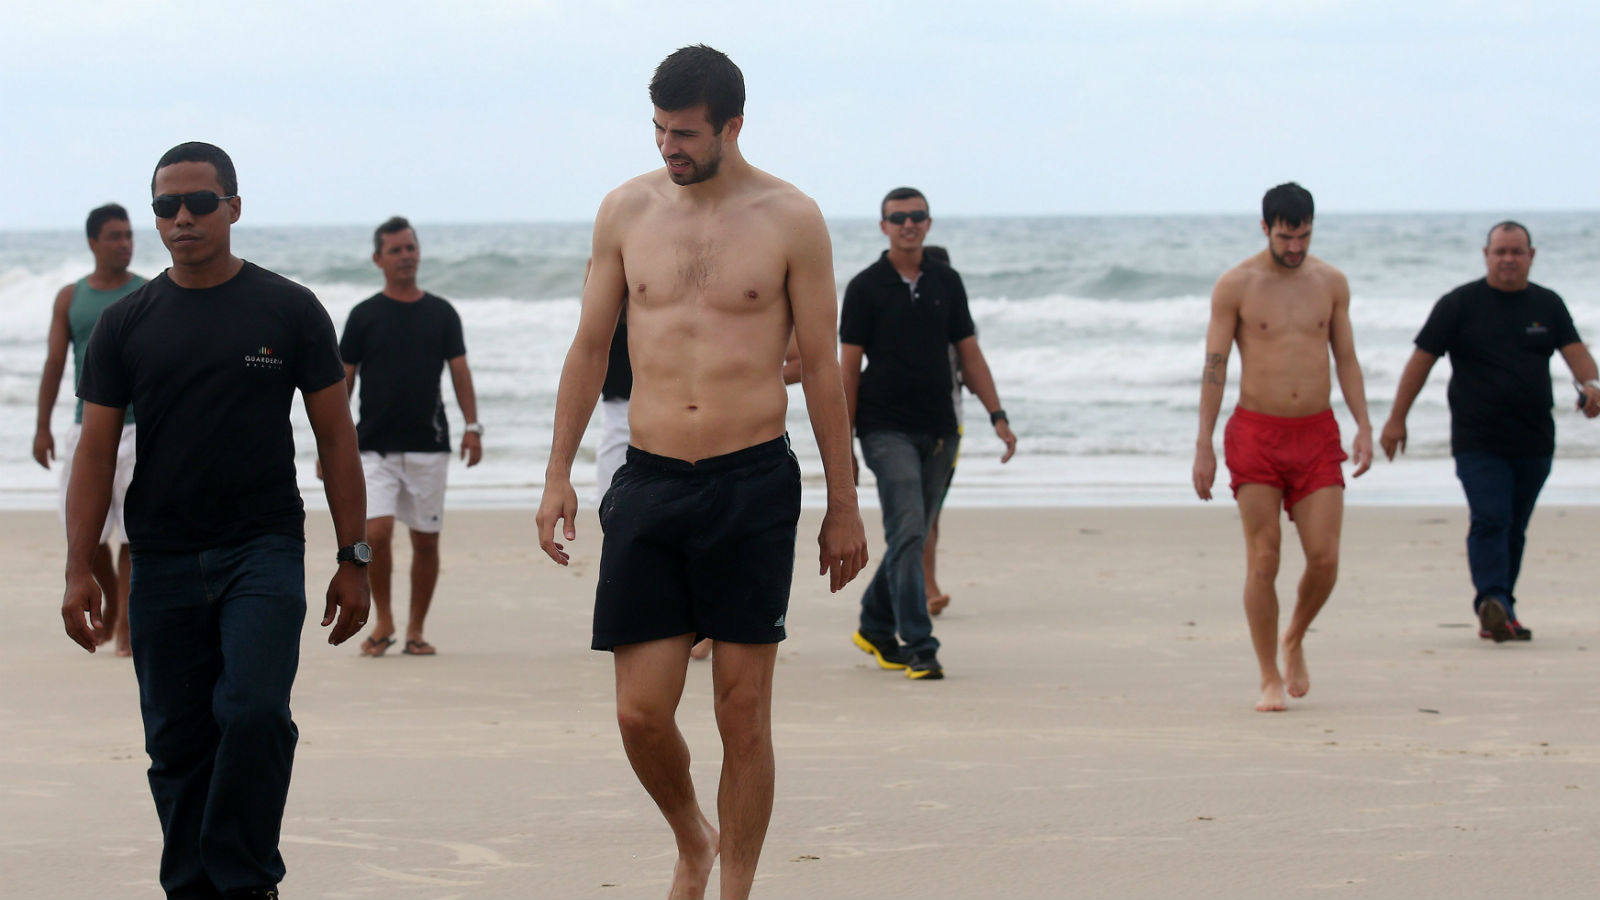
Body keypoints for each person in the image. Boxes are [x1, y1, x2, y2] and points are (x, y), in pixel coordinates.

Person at [535, 45, 868, 899]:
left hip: (751, 480)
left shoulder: (791, 218)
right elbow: (589, 346)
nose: (667, 148)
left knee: (741, 711)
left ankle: (736, 891)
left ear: (732, 126)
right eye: (658, 130)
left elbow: (824, 369)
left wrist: (843, 502)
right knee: (640, 712)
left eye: (683, 134)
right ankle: (693, 836)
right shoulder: (625, 212)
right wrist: (557, 474)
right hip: (647, 480)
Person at [61, 141, 371, 900]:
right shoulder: (126, 323)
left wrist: (354, 556)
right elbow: (96, 452)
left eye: (200, 202)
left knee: (255, 712)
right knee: (176, 742)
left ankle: (245, 878)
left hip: (261, 547)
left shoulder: (288, 309)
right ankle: (193, 888)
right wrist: (78, 567)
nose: (183, 218)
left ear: (234, 207)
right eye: (167, 205)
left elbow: (336, 436)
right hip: (161, 557)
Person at [1192, 182, 1373, 712]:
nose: (1295, 248)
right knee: (1264, 558)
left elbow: (1347, 360)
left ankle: (1294, 635)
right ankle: (1269, 674)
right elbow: (1215, 366)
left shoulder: (1331, 283)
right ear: (1265, 228)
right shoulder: (1236, 285)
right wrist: (1204, 442)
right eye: (1285, 236)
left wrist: (1363, 424)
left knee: (1325, 559)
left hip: (1317, 434)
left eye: (1304, 236)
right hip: (1255, 434)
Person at [1380, 221, 1599, 642]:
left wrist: (1592, 388)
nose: (1508, 260)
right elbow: (1421, 361)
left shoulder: (1548, 305)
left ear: (1531, 256)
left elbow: (1578, 356)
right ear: (1486, 255)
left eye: (1516, 252)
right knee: (1491, 518)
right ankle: (1490, 600)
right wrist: (1396, 418)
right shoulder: (1459, 305)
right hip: (1477, 440)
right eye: (1500, 252)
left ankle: (1503, 609)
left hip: (1535, 441)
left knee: (1514, 526)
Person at [840, 189, 1016, 681]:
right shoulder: (865, 287)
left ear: (929, 223)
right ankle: (920, 644)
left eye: (917, 217)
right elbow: (848, 369)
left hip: (941, 429)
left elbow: (970, 354)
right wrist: (845, 442)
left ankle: (875, 625)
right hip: (884, 429)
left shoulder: (947, 281)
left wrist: (997, 414)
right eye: (899, 218)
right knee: (911, 532)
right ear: (883, 227)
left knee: (907, 535)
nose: (908, 224)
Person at [340, 216, 482, 657]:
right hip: (373, 447)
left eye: (411, 248)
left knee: (425, 541)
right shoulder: (363, 316)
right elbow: (343, 383)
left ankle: (416, 629)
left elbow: (459, 373)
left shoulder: (441, 313)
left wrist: (472, 427)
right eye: (396, 250)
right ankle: (383, 620)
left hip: (428, 445)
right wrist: (333, 445)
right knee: (375, 534)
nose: (406, 256)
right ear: (378, 259)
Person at [35, 203, 145, 656]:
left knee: (135, 531)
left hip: (141, 429)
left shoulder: (149, 293)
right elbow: (56, 363)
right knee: (88, 533)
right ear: (93, 242)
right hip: (89, 430)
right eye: (114, 236)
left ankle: (127, 625)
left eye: (128, 235)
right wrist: (42, 427)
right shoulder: (71, 297)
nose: (124, 244)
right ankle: (113, 598)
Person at [918, 245, 959, 616]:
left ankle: (924, 583)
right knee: (921, 514)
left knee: (931, 513)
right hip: (904, 427)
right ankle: (926, 587)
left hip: (950, 426)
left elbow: (970, 368)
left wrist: (999, 416)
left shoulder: (954, 318)